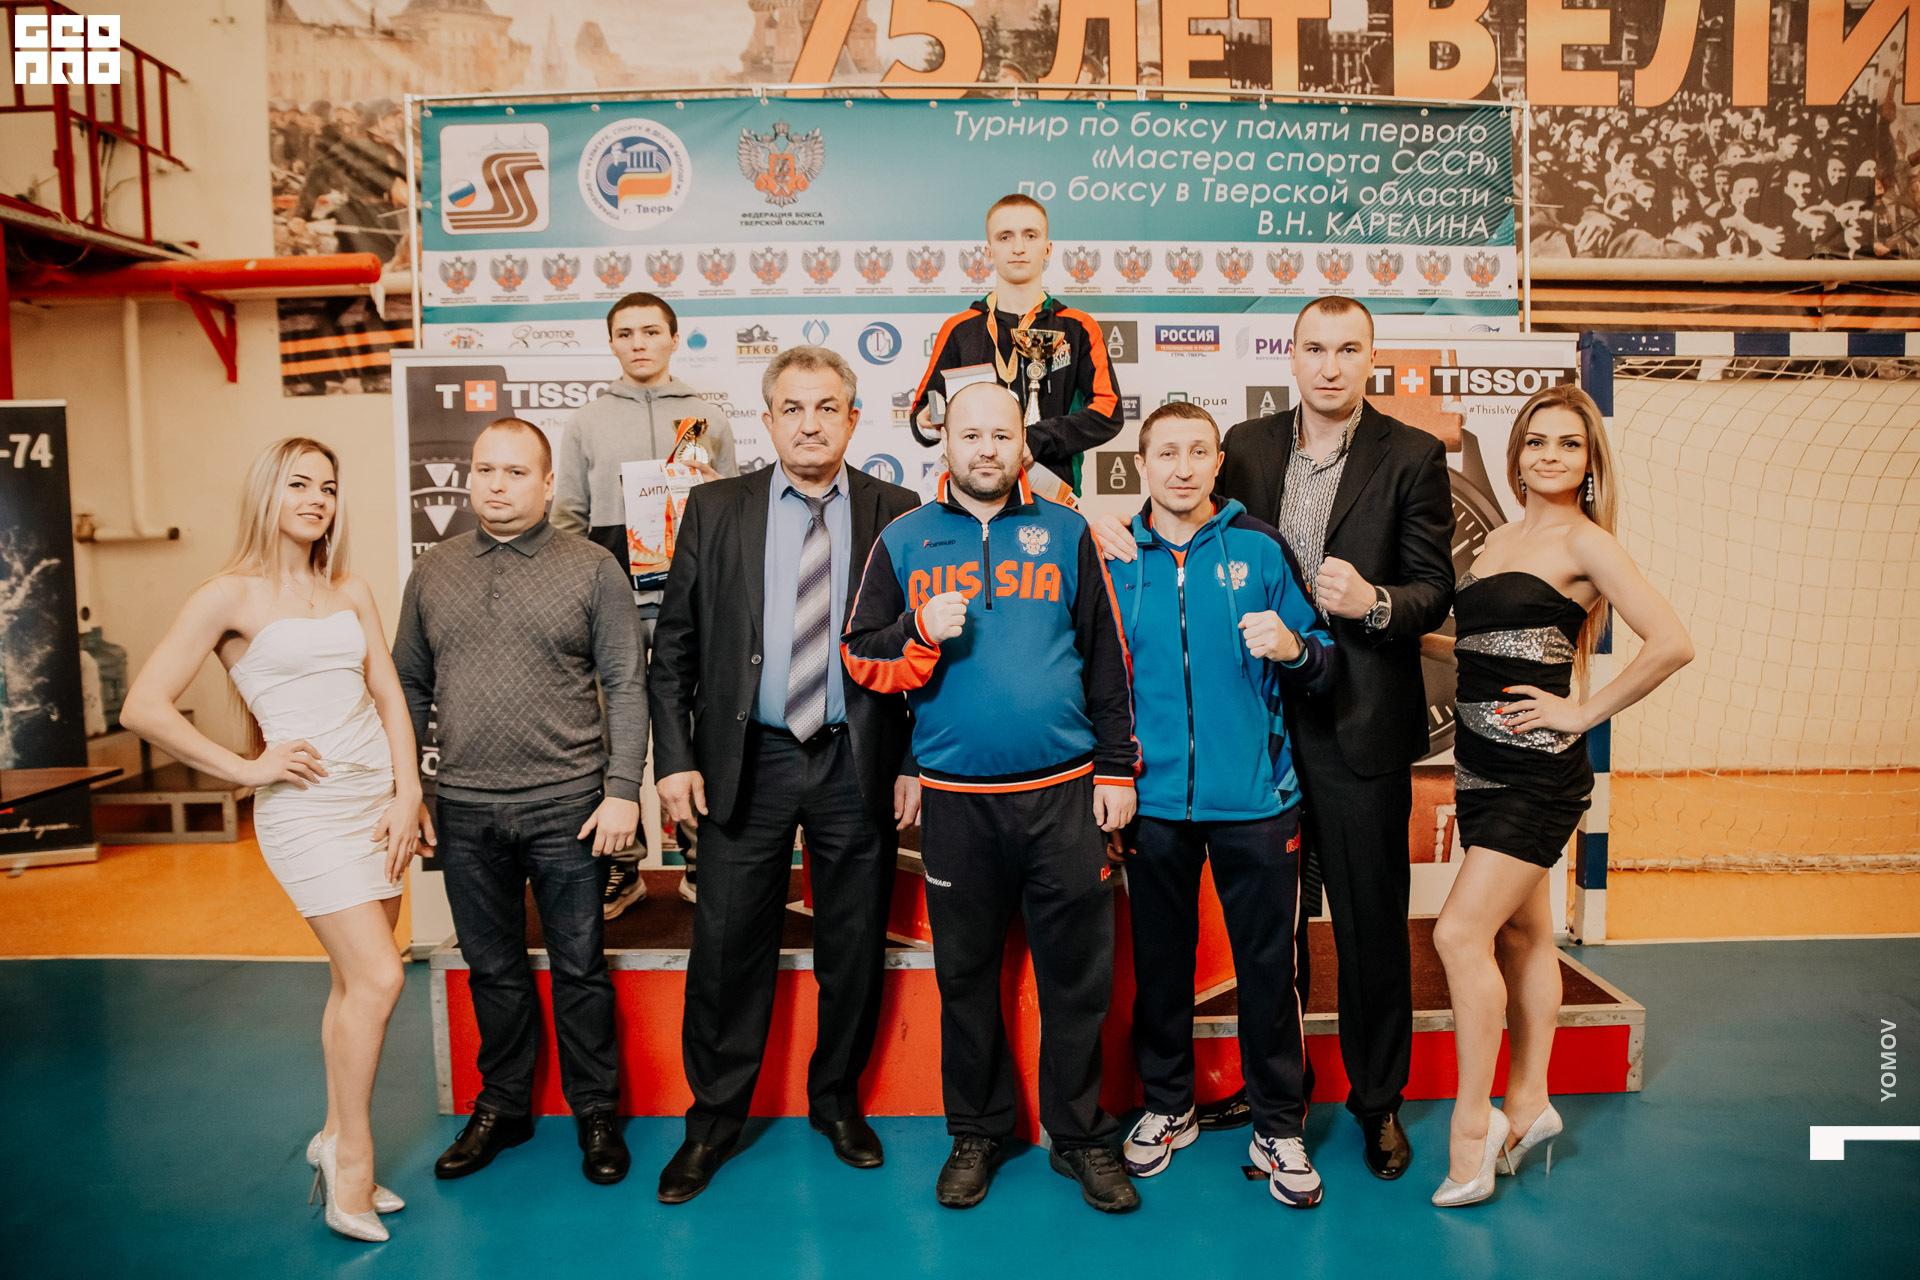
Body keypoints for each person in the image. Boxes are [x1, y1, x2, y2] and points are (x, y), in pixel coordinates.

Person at [1093, 295, 1454, 1181]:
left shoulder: (1411, 454)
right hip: (1254, 731)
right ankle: (1273, 1102)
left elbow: (1434, 589)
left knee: (1369, 927)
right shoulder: (1245, 446)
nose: (1330, 365)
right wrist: (1094, 520)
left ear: (1369, 359)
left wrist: (1371, 601)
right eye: (1314, 348)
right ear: (1290, 356)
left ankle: (1377, 1104)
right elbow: (1184, 525)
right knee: (1271, 939)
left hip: (1356, 720)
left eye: (1348, 349)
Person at [844, 381, 1140, 1214]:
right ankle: (976, 1131)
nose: (986, 449)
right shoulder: (905, 538)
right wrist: (917, 633)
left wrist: (1117, 769)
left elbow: (1107, 656)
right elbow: (861, 655)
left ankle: (1080, 1136)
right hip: (956, 802)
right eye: (971, 434)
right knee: (966, 978)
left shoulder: (1068, 532)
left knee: (1077, 980)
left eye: (1002, 435)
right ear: (945, 440)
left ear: (1023, 444)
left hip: (1065, 796)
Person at [121, 437, 425, 1244]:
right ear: (268, 492)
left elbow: (389, 696)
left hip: (374, 805)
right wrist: (246, 769)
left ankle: (330, 1137)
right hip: (306, 811)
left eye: (328, 487)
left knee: (351, 983)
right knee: (381, 978)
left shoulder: (350, 588)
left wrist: (408, 793)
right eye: (299, 484)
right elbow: (143, 705)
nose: (317, 499)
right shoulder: (226, 596)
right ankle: (352, 1165)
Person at [647, 345, 920, 1203]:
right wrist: (673, 759)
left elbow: (922, 652)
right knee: (726, 950)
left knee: (853, 945)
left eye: (827, 407)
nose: (810, 424)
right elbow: (674, 648)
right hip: (747, 758)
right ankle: (712, 1122)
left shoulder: (898, 511)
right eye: (793, 408)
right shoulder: (714, 507)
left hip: (854, 756)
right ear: (767, 421)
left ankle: (836, 1103)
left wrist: (911, 762)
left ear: (853, 418)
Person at [1430, 385, 1692, 1207]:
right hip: (1478, 766)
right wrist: (1387, 625)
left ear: (1589, 462)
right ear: (1516, 454)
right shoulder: (1502, 538)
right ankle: (1530, 1102)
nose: (1550, 455)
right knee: (1524, 934)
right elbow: (1478, 646)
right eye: (1537, 441)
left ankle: (1472, 1126)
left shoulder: (1587, 541)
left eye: (1568, 444)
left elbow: (1672, 642)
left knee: (1458, 933)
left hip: (1537, 775)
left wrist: (1582, 712)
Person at [393, 417, 646, 1188]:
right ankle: (503, 1107)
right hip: (465, 808)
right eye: (484, 470)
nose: (496, 484)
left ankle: (596, 1110)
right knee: (491, 970)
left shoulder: (593, 568)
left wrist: (622, 791)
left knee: (579, 968)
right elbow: (407, 686)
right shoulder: (432, 570)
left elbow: (626, 683)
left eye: (515, 471)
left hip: (567, 805)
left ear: (547, 484)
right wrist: (410, 790)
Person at [1110, 402, 1334, 1209]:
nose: (1182, 467)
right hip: (1152, 803)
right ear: (1141, 465)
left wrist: (1294, 647)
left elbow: (1325, 659)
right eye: (1166, 452)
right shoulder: (1114, 556)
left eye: (1197, 452)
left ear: (1216, 463)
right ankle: (1169, 1106)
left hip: (1257, 802)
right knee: (1161, 966)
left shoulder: (1260, 547)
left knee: (1269, 971)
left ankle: (1278, 1125)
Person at [553, 290, 738, 919]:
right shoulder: (587, 422)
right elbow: (569, 518)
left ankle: (701, 857)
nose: (639, 343)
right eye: (626, 333)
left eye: (651, 331)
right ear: (611, 343)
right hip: (614, 600)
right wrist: (581, 595)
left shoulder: (707, 418)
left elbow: (732, 513)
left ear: (673, 338)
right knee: (611, 730)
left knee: (703, 725)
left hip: (694, 599)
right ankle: (622, 865)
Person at [910, 193, 1122, 490]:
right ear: (989, 251)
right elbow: (922, 414)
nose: (1018, 247)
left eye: (1030, 235)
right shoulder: (959, 328)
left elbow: (1108, 411)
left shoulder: (1077, 327)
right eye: (1005, 237)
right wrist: (927, 422)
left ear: (1047, 249)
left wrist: (1036, 440)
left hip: (1051, 490)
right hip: (974, 490)